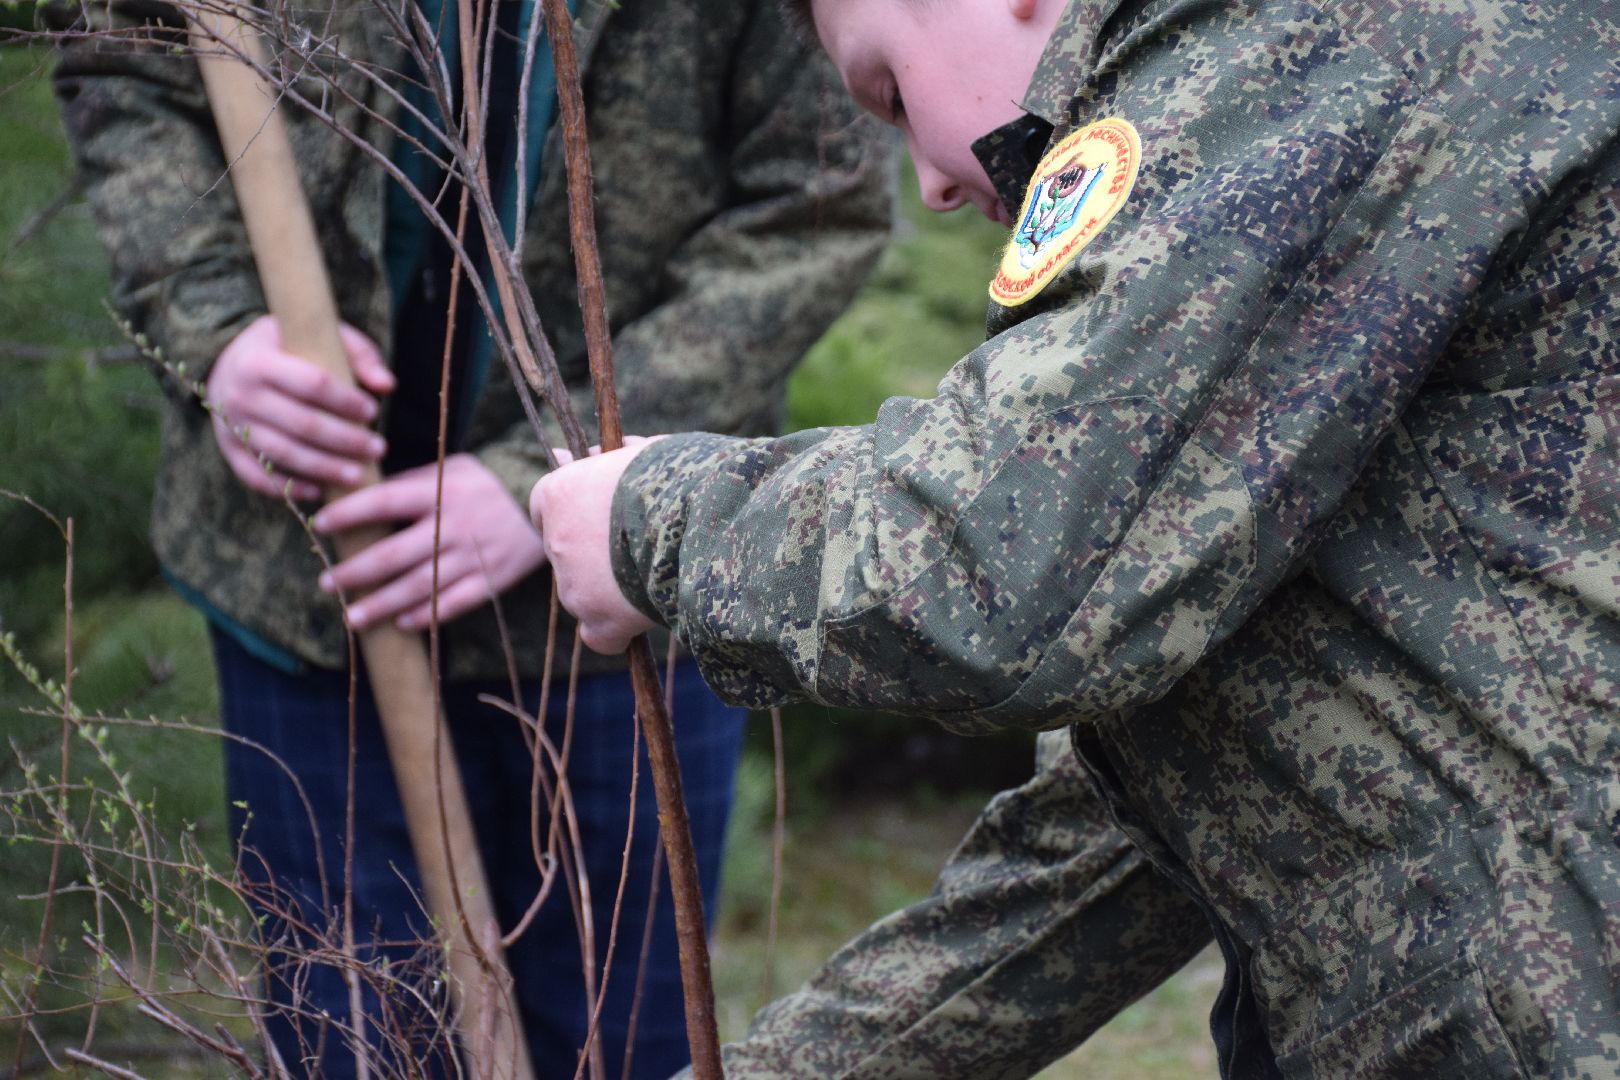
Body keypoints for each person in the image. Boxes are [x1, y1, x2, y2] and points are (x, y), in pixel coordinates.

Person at [532, 0, 1620, 1074]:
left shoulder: (1312, 45)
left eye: (889, 93)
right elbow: (1123, 828)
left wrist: (651, 519)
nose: (934, 184)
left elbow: (991, 567)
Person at [48, 0, 891, 1075]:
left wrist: (564, 470)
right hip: (304, 585)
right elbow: (125, 60)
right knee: (354, 1037)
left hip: (617, 609)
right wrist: (214, 327)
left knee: (621, 1040)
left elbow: (817, 200)